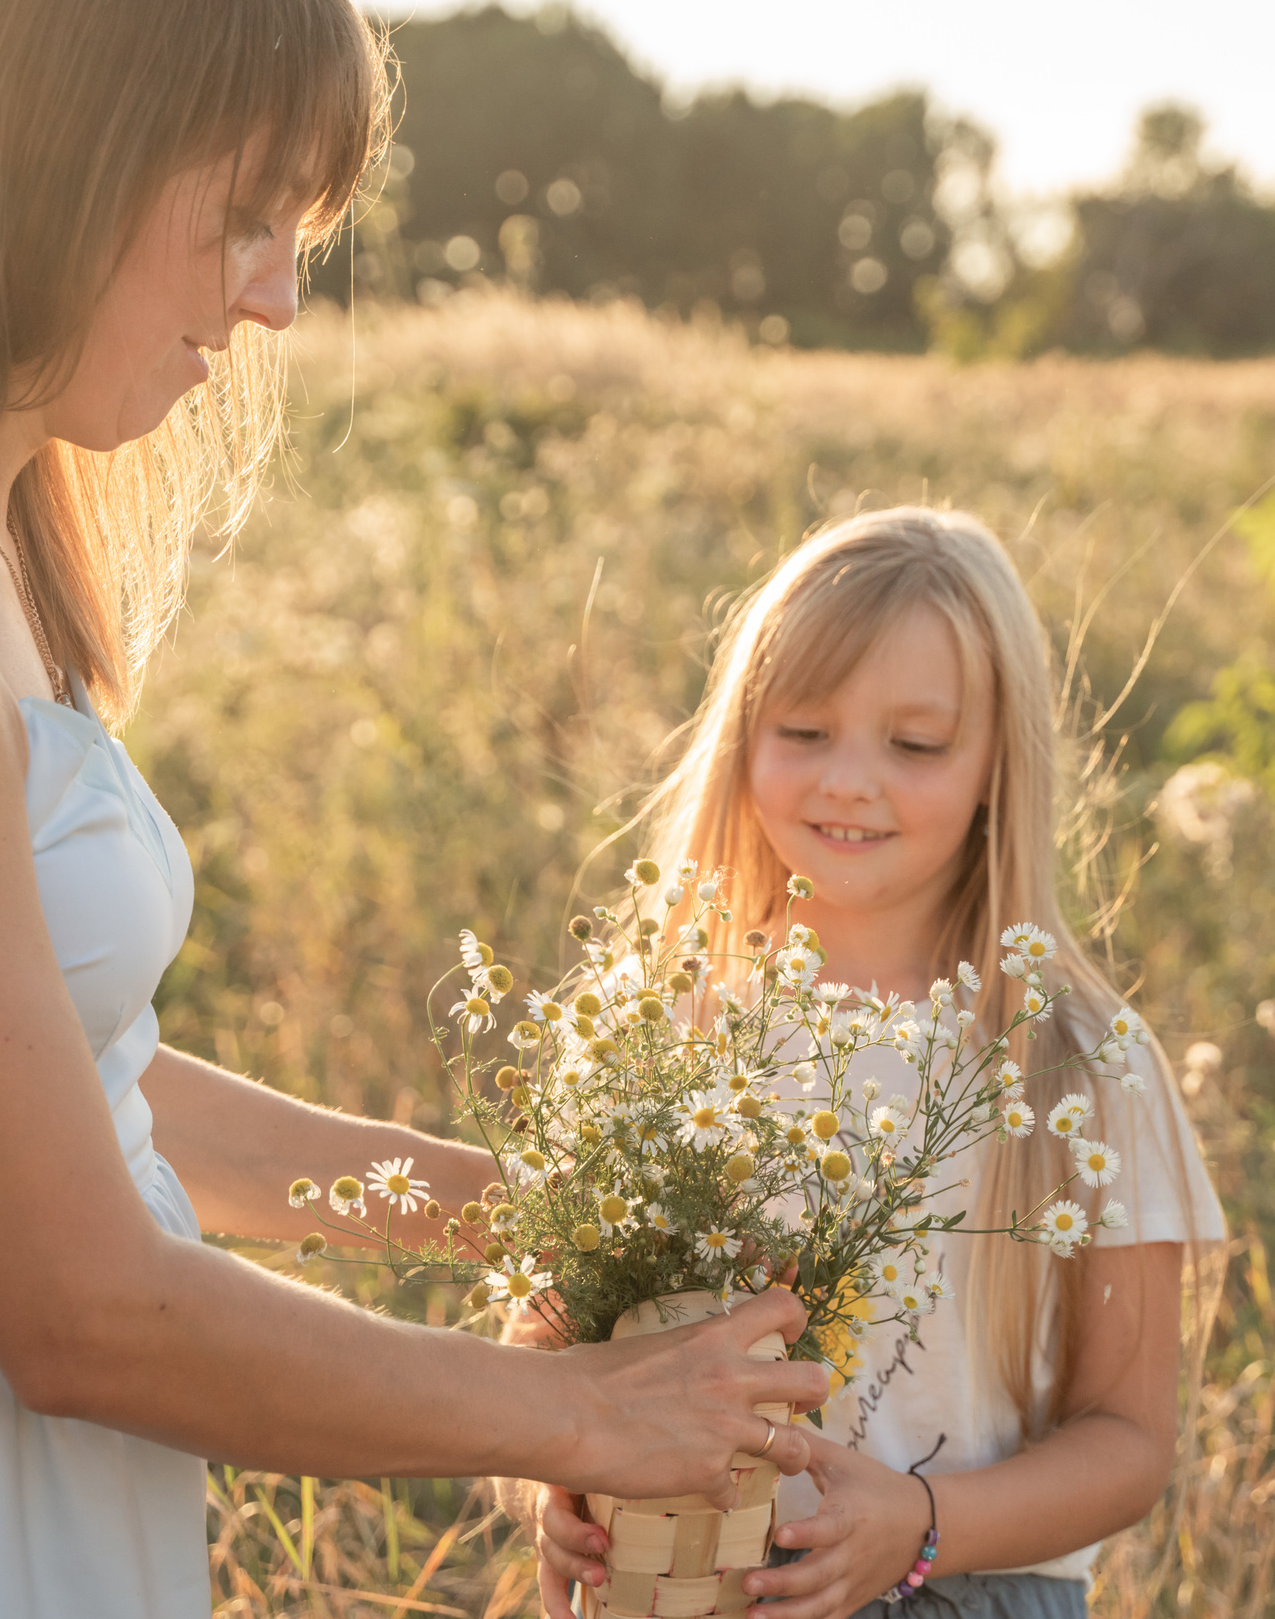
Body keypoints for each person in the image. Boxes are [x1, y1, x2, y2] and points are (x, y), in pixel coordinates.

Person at [0, 0, 822, 1615]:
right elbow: (78, 1305)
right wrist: (577, 1412)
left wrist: (501, 1206)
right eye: (243, 214)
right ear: (56, 145)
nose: (279, 296)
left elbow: (87, 1087)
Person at [518, 508, 1227, 1619]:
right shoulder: (661, 1027)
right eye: (803, 730)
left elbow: (1128, 1441)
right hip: (686, 1586)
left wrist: (918, 1523)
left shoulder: (1078, 1066)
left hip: (968, 1589)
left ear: (1000, 762)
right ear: (741, 733)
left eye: (914, 744)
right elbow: (555, 1336)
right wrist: (553, 1479)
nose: (849, 780)